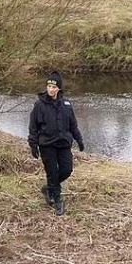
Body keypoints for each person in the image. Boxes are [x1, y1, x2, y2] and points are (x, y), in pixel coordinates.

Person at [28, 71, 85, 216]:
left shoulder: (66, 104)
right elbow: (33, 127)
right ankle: (58, 200)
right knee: (52, 173)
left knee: (67, 169)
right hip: (47, 144)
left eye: (54, 87)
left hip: (64, 143)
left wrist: (79, 139)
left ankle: (49, 188)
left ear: (58, 88)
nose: (50, 89)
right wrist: (33, 144)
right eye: (48, 86)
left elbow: (73, 125)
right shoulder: (39, 105)